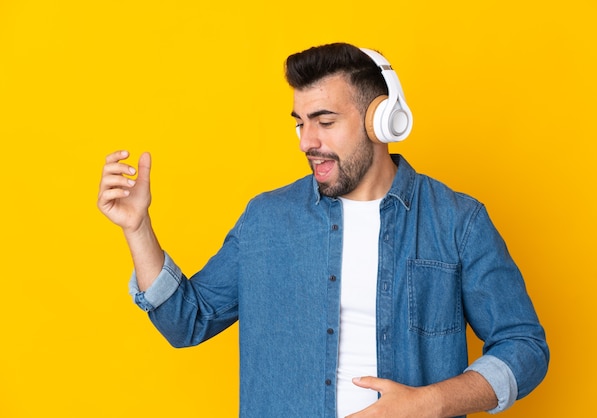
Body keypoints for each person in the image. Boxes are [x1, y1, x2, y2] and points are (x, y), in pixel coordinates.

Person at [97, 42, 549, 418]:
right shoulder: (266, 219)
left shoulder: (457, 221)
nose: (306, 141)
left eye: (325, 121)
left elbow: (524, 347)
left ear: (381, 118)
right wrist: (138, 229)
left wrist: (429, 403)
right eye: (300, 122)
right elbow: (187, 322)